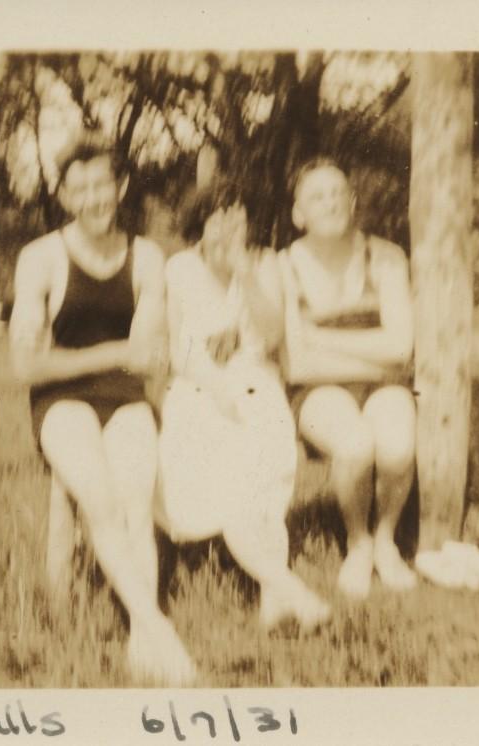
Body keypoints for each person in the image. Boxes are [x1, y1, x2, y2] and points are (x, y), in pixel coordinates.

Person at [7, 132, 196, 685]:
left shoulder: (146, 257)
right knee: (100, 497)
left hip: (126, 398)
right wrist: (114, 351)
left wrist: (85, 357)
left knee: (136, 498)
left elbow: (147, 358)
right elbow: (26, 366)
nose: (94, 198)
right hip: (60, 403)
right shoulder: (40, 258)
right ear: (65, 197)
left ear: (122, 187)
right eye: (80, 188)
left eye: (103, 185)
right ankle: (159, 629)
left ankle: (143, 635)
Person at [157, 183, 331, 630]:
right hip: (199, 389)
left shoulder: (266, 265)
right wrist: (215, 387)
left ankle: (276, 595)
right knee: (230, 479)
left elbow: (272, 338)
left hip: (256, 387)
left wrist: (245, 274)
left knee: (257, 469)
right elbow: (179, 352)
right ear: (200, 225)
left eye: (238, 218)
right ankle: (288, 589)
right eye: (218, 219)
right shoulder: (178, 269)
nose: (229, 230)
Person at [280, 157, 418, 601]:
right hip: (316, 391)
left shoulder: (386, 257)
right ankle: (357, 541)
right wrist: (375, 354)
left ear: (353, 202)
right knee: (356, 444)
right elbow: (297, 365)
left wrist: (320, 338)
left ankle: (385, 539)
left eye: (338, 193)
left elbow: (401, 348)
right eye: (317, 196)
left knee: (397, 445)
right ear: (299, 214)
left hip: (383, 385)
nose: (331, 203)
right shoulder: (286, 266)